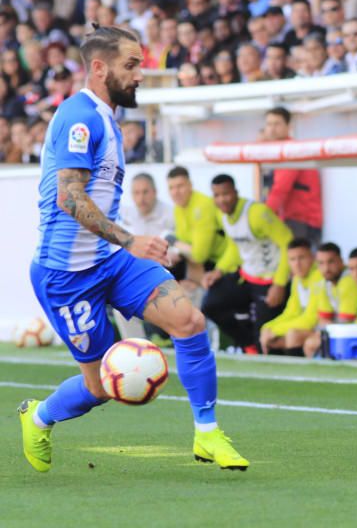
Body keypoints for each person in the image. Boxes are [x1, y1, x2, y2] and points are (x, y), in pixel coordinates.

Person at [21, 25, 247, 473]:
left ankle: (207, 434)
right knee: (102, 386)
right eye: (131, 64)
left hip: (110, 260)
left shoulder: (109, 118)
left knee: (188, 319)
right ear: (99, 68)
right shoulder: (77, 117)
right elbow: (69, 198)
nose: (141, 73)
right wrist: (132, 239)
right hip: (65, 274)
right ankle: (39, 416)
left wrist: (127, 247)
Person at [201, 174, 293, 353]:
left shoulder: (257, 213)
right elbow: (236, 247)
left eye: (225, 194)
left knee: (265, 341)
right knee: (210, 304)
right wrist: (218, 271)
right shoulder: (223, 215)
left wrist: (280, 283)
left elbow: (287, 241)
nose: (222, 200)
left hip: (270, 281)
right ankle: (246, 344)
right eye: (217, 195)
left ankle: (256, 346)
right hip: (247, 277)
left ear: (236, 192)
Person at [116, 173, 176, 340]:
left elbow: (178, 252)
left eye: (145, 192)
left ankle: (180, 342)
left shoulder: (170, 215)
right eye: (136, 193)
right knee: (120, 305)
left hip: (169, 275)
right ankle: (136, 348)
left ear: (155, 192)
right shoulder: (125, 215)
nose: (141, 198)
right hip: (139, 278)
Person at [260, 107, 324, 245]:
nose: (272, 129)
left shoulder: (291, 151)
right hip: (295, 220)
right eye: (269, 124)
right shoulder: (279, 150)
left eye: (277, 124)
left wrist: (262, 217)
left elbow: (280, 189)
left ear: (289, 127)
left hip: (300, 221)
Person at [295, 242, 357, 357]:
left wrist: (323, 332)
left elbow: (346, 322)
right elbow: (323, 318)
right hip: (338, 330)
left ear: (341, 261)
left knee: (311, 343)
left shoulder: (348, 280)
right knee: (300, 337)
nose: (326, 268)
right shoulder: (325, 282)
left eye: (331, 262)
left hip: (354, 332)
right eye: (321, 263)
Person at [259, 238, 323, 355]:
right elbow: (291, 312)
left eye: (302, 258)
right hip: (310, 328)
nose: (297, 264)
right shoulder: (297, 280)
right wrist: (268, 328)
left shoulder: (318, 277)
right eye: (292, 259)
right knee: (271, 338)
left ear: (312, 258)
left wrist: (276, 330)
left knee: (292, 335)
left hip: (322, 328)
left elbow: (311, 319)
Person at [166, 166, 230, 280]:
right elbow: (184, 243)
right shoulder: (178, 207)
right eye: (171, 188)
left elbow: (199, 256)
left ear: (190, 185)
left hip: (223, 263)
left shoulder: (202, 206)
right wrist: (176, 247)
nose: (176, 192)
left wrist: (173, 241)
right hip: (205, 263)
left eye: (180, 186)